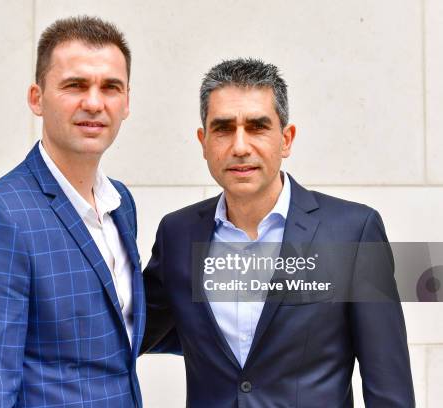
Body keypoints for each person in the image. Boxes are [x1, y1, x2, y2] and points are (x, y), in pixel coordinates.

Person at [141, 58, 414, 407]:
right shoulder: (177, 235)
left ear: (286, 139)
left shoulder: (352, 232)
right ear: (204, 141)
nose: (240, 146)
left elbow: (389, 387)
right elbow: (128, 334)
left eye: (257, 127)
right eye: (223, 128)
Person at [0, 16, 145, 407]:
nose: (94, 102)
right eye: (75, 85)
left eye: (110, 87)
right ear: (37, 98)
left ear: (126, 103)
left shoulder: (120, 204)